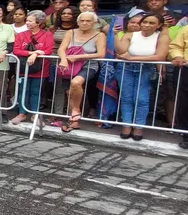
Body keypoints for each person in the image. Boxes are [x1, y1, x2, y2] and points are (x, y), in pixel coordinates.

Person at [114, 12, 170, 141]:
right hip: (126, 69)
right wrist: (115, 35)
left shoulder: (162, 37)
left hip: (146, 69)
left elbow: (159, 56)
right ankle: (126, 125)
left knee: (142, 99)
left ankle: (139, 127)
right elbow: (121, 51)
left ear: (159, 25)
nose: (147, 25)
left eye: (151, 23)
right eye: (145, 22)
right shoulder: (130, 35)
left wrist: (132, 58)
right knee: (126, 98)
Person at [55, 11, 105, 132]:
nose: (84, 23)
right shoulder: (70, 32)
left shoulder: (100, 35)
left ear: (94, 22)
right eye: (82, 20)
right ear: (78, 22)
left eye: (88, 21)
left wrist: (79, 57)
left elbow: (101, 54)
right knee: (70, 92)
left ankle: (76, 110)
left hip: (89, 65)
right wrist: (63, 59)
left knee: (76, 83)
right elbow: (61, 49)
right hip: (70, 65)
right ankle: (74, 121)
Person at [10, 11, 54, 125]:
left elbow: (48, 50)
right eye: (27, 20)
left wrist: (36, 54)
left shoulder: (47, 35)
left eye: (30, 21)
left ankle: (35, 114)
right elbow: (16, 50)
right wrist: (32, 52)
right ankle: (21, 113)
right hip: (23, 68)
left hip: (40, 68)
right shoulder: (21, 35)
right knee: (22, 91)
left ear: (38, 22)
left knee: (36, 91)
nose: (27, 23)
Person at [169, 25, 188, 149]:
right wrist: (178, 56)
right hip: (186, 69)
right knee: (185, 102)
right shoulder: (186, 29)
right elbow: (175, 46)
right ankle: (187, 135)